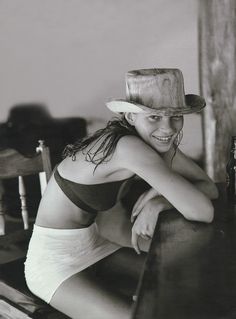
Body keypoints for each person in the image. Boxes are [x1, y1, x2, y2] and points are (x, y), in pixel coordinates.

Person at [24, 68, 218, 319]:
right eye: (154, 117)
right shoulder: (128, 148)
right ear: (130, 116)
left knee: (184, 287)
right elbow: (203, 211)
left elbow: (209, 187)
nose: (168, 128)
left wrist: (158, 201)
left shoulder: (155, 141)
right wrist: (162, 199)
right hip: (53, 264)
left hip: (94, 246)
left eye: (175, 116)